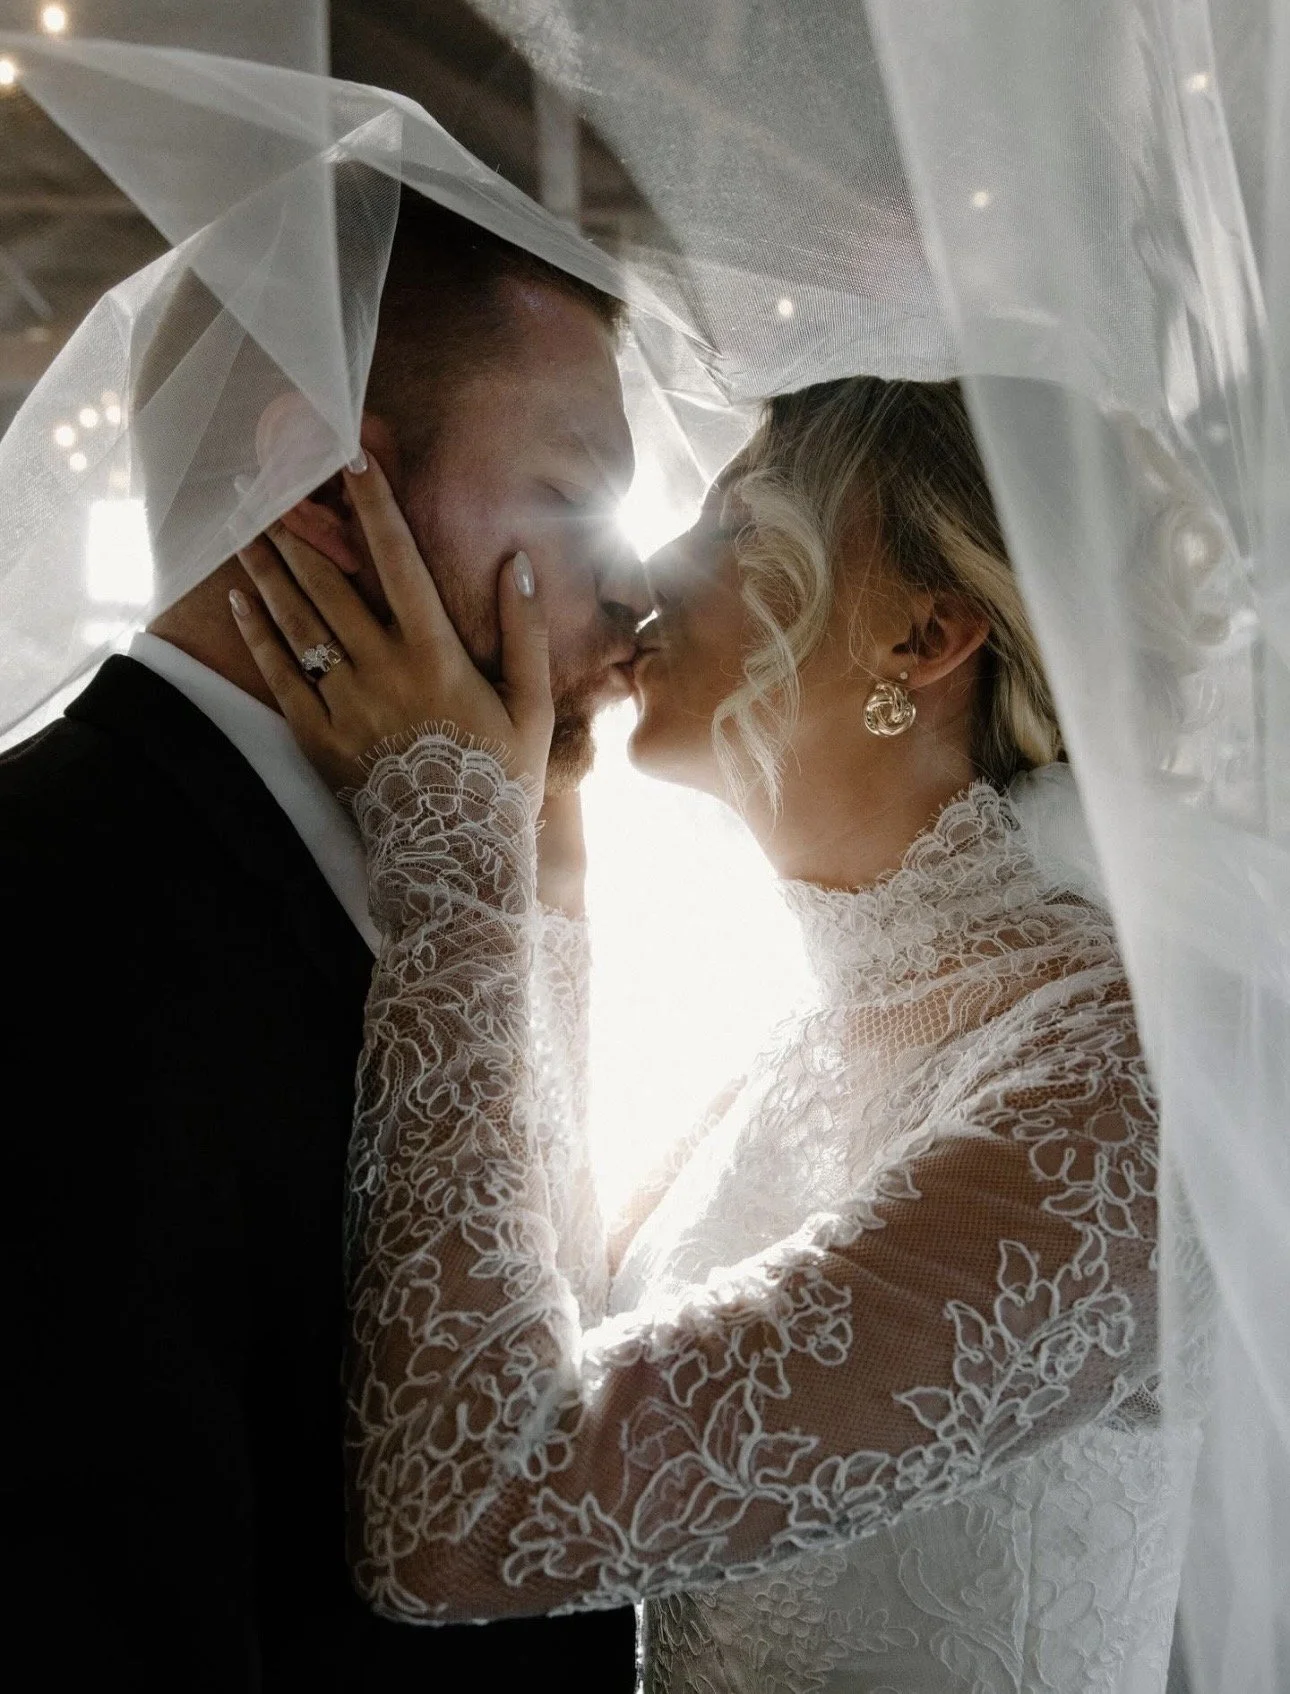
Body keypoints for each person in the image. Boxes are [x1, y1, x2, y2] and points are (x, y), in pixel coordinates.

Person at [234, 374, 1182, 1692]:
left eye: (737, 526)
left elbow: (463, 1517)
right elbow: (529, 1329)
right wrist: (536, 844)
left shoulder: (1119, 1095)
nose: (646, 570)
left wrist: (449, 855)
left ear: (923, 633)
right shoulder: (800, 1045)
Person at [0, 192, 644, 1690]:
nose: (628, 590)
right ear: (324, 490)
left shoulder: (453, 892)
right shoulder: (46, 903)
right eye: (573, 497)